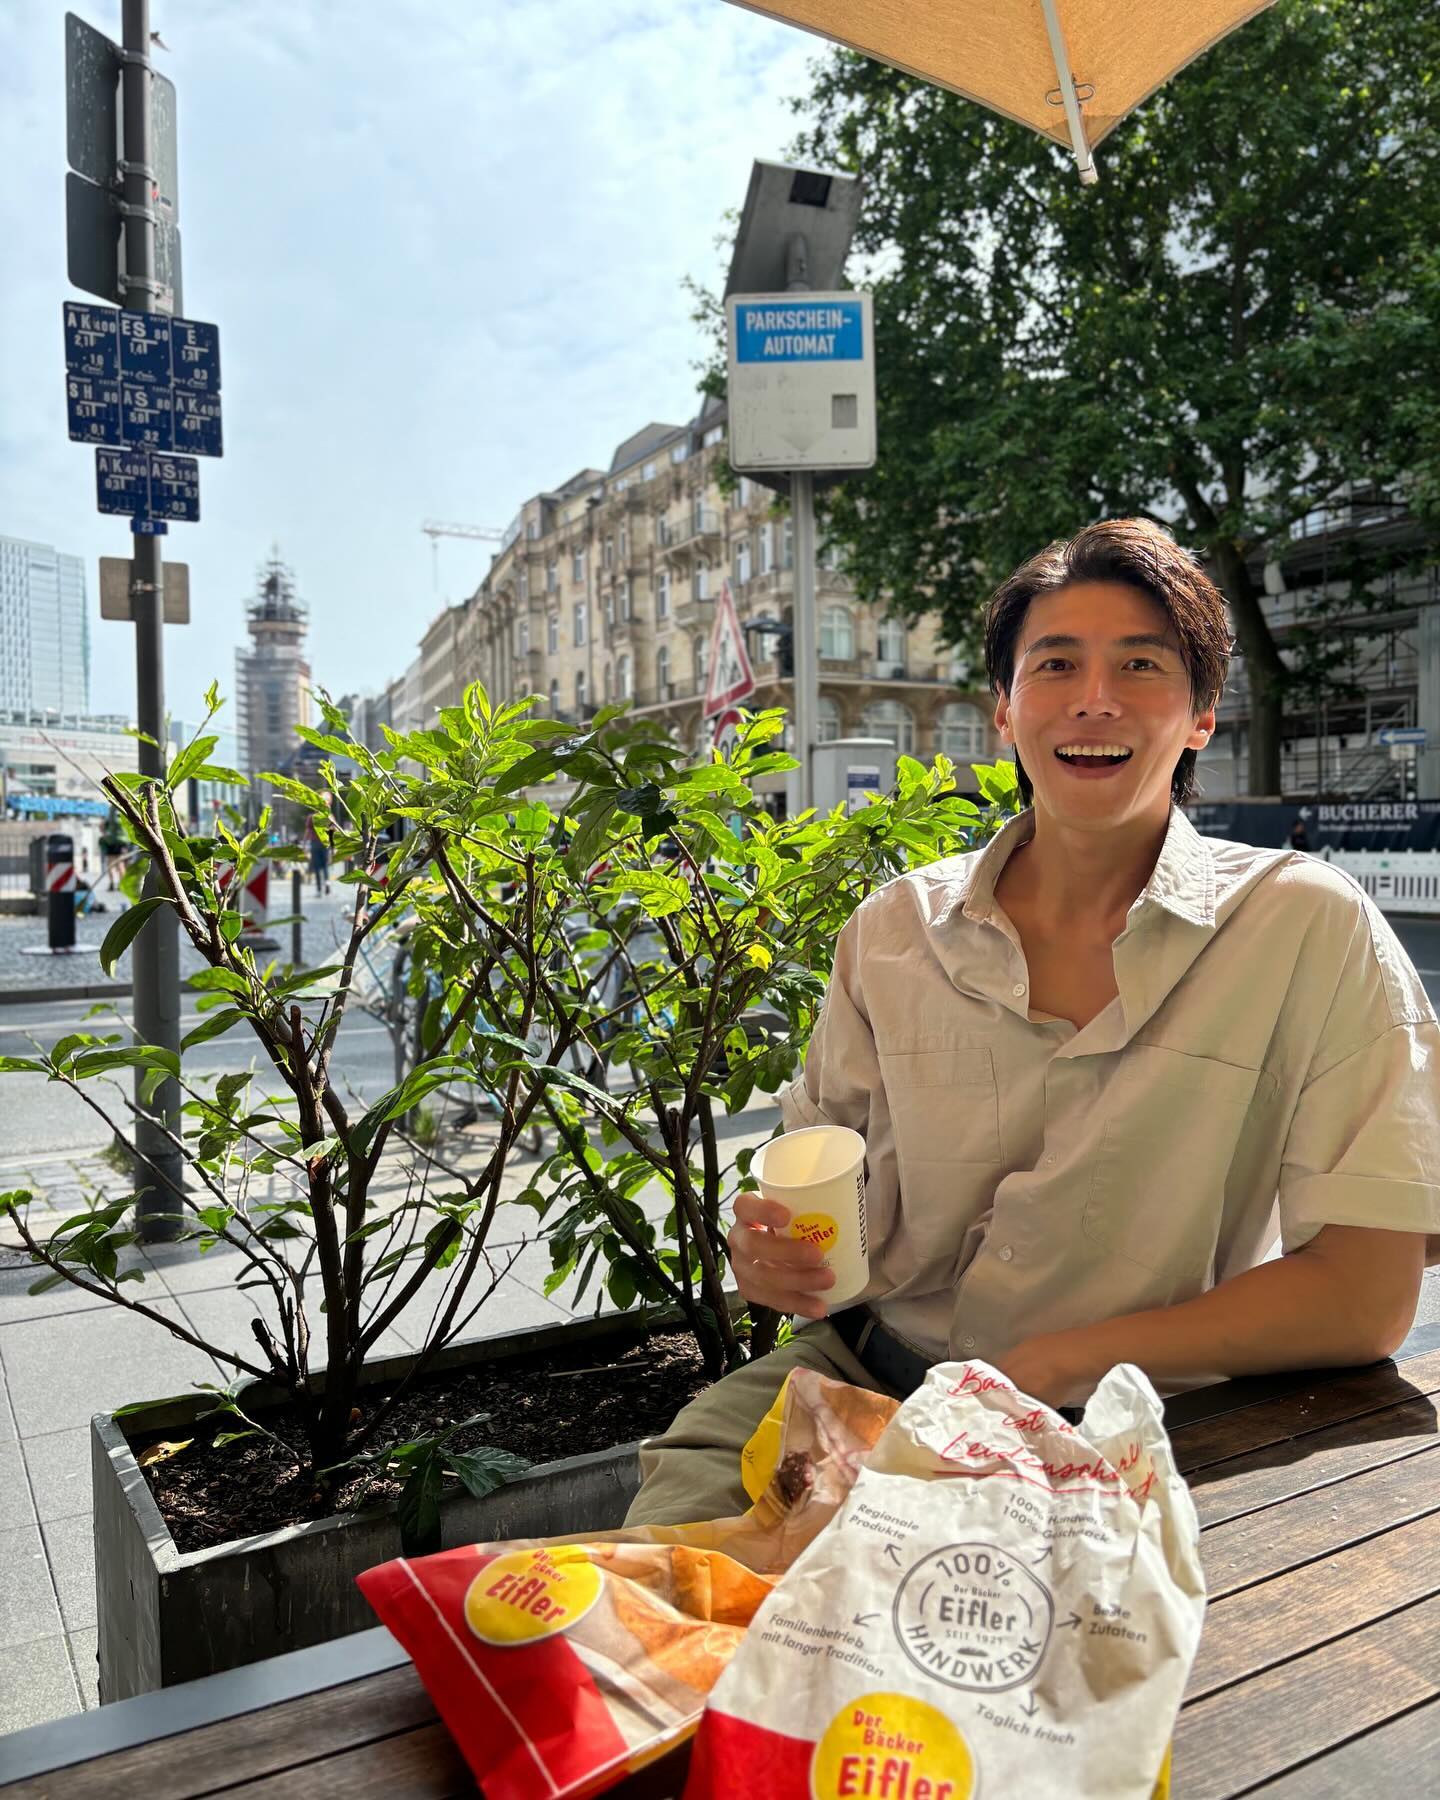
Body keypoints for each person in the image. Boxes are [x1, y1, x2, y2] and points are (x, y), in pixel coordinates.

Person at [625, 517, 1439, 1527]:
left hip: (1139, 1431)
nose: (1095, 697)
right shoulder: (893, 931)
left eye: (1141, 663)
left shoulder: (1303, 925)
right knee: (646, 1574)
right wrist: (772, 1253)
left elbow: (1364, 1298)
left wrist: (1052, 1365)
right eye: (1055, 663)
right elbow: (826, 1198)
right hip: (863, 1383)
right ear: (1005, 713)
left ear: (1200, 717)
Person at [307, 820, 330, 896]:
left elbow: (308, 830)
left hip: (315, 843)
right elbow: (333, 829)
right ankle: (327, 884)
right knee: (325, 866)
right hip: (325, 842)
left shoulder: (311, 817)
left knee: (317, 868)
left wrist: (304, 842)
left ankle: (319, 889)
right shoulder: (328, 816)